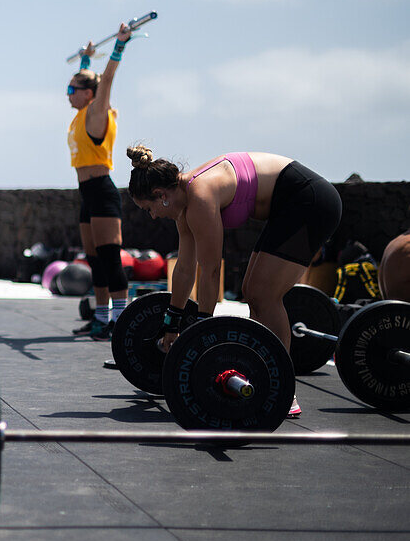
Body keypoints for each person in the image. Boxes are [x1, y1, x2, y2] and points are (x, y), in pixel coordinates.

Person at [126, 144, 343, 418]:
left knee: (264, 296)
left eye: (149, 209)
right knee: (252, 292)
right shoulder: (185, 204)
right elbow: (184, 270)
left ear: (161, 195)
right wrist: (171, 324)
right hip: (288, 206)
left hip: (310, 201)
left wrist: (201, 333)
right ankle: (262, 373)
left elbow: (211, 271)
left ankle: (284, 390)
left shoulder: (200, 195)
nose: (153, 216)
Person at [67, 25, 134, 342]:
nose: (68, 94)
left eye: (72, 91)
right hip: (86, 195)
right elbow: (88, 81)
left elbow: (103, 82)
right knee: (94, 260)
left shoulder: (97, 112)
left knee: (109, 257)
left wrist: (119, 46)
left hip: (103, 192)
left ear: (88, 95)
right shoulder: (81, 113)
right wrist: (86, 60)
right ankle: (101, 317)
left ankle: (122, 322)